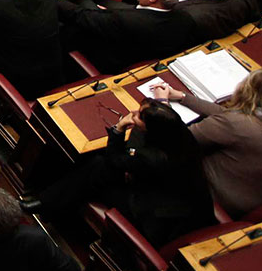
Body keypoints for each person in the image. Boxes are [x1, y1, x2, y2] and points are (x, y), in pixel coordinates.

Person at [32, 101, 213, 247]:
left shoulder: (153, 158)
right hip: (167, 195)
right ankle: (50, 205)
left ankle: (49, 205)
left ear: (152, 129)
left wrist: (119, 128)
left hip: (156, 215)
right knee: (98, 168)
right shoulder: (181, 137)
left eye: (138, 116)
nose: (133, 113)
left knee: (99, 169)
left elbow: (115, 159)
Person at [153, 69, 262, 219]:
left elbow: (175, 138)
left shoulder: (233, 124)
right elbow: (229, 113)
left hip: (224, 202)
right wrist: (183, 97)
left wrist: (162, 103)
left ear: (246, 90)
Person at [59, 0, 198, 72]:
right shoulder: (185, 18)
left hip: (107, 58)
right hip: (137, 52)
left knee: (82, 3)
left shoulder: (126, 20)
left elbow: (79, 16)